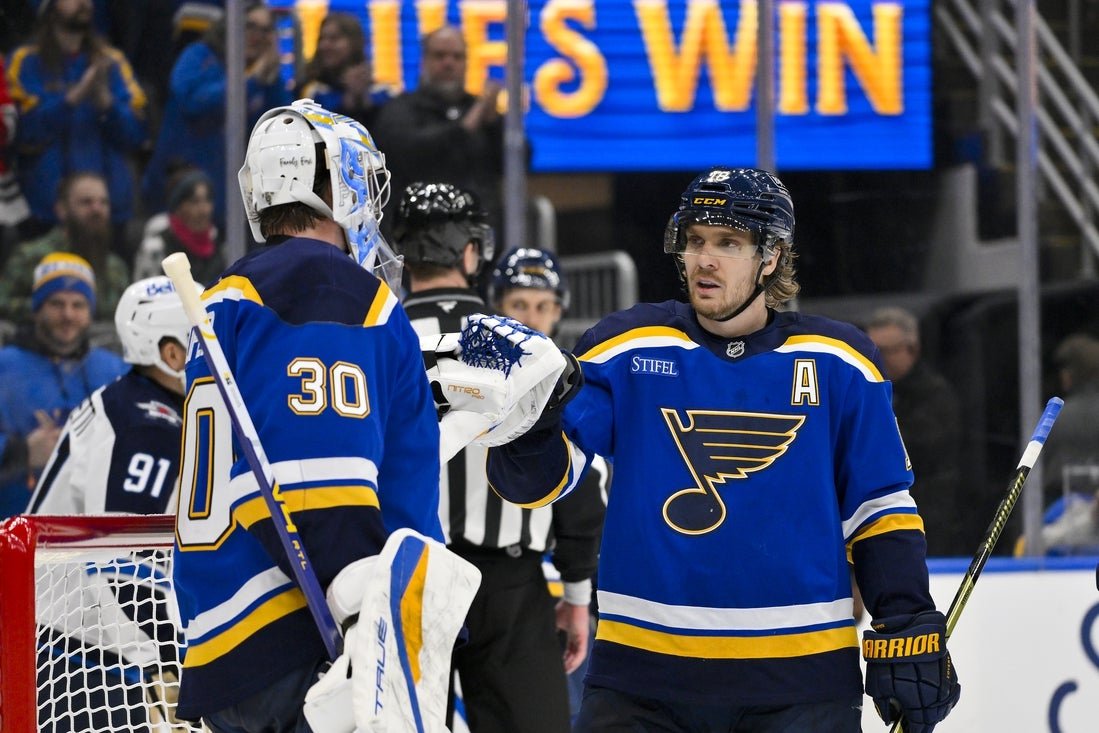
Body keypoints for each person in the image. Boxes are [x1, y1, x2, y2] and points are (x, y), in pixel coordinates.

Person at [487, 167, 961, 733]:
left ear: (771, 256)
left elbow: (878, 508)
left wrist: (904, 620)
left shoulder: (841, 362)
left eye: (728, 243)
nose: (704, 260)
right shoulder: (625, 349)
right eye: (695, 241)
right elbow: (536, 485)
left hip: (801, 685)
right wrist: (528, 422)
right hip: (640, 685)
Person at [170, 99, 451, 732]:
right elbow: (315, 485)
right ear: (333, 182)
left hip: (228, 636)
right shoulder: (330, 285)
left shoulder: (227, 296)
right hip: (311, 641)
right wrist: (365, 623)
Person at [394, 185, 603, 733]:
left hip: (406, 574)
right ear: (470, 253)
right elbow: (572, 476)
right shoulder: (520, 344)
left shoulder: (373, 338)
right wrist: (576, 593)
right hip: (510, 586)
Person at [27, 275, 201, 732]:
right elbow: (123, 568)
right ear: (171, 355)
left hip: (74, 640)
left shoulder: (137, 403)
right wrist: (174, 657)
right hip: (75, 655)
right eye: (203, 340)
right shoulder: (148, 429)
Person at [486, 244, 609, 720]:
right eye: (519, 304)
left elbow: (585, 500)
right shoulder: (461, 377)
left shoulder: (576, 386)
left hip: (541, 590)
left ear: (560, 311)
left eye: (543, 306)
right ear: (497, 307)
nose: (532, 319)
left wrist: (578, 595)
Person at [5, 0, 147, 240]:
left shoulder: (111, 61)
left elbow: (137, 135)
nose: (84, 3)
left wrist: (107, 104)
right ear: (49, 8)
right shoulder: (25, 61)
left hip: (108, 211)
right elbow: (22, 132)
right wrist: (71, 99)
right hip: (45, 213)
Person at [0, 252, 127, 519]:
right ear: (37, 309)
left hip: (97, 530)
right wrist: (20, 452)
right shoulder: (5, 366)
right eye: (56, 303)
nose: (68, 315)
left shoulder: (115, 370)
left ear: (90, 313)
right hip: (13, 527)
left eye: (78, 305)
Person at [142, 0, 291, 227]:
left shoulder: (264, 78)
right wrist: (251, 82)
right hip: (177, 192)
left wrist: (271, 80)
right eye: (250, 25)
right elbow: (195, 103)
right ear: (231, 24)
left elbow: (281, 131)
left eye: (265, 30)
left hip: (231, 204)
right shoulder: (199, 56)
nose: (256, 36)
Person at [372, 26, 505, 234]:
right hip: (417, 233)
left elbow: (519, 162)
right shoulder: (400, 109)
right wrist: (463, 129)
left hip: (477, 232)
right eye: (440, 56)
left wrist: (494, 124)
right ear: (424, 61)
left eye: (457, 57)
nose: (449, 63)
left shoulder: (481, 113)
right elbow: (408, 151)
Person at [865, 306, 964, 556]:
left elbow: (912, 450)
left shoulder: (935, 396)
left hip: (926, 519)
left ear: (912, 349)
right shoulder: (867, 392)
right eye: (872, 352)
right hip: (875, 517)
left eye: (887, 351)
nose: (879, 359)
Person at [0, 170, 131, 321]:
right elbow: (3, 303)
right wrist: (46, 306)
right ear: (62, 209)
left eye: (103, 202)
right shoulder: (30, 256)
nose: (97, 209)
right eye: (86, 202)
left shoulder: (115, 267)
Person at [297, 12, 395, 129]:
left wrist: (363, 101)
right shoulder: (310, 91)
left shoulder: (383, 92)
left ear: (354, 43)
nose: (325, 45)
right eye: (322, 39)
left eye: (334, 39)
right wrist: (346, 103)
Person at [132, 168, 223, 285]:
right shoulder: (156, 248)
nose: (204, 210)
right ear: (178, 207)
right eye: (194, 202)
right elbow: (144, 292)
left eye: (207, 200)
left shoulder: (220, 246)